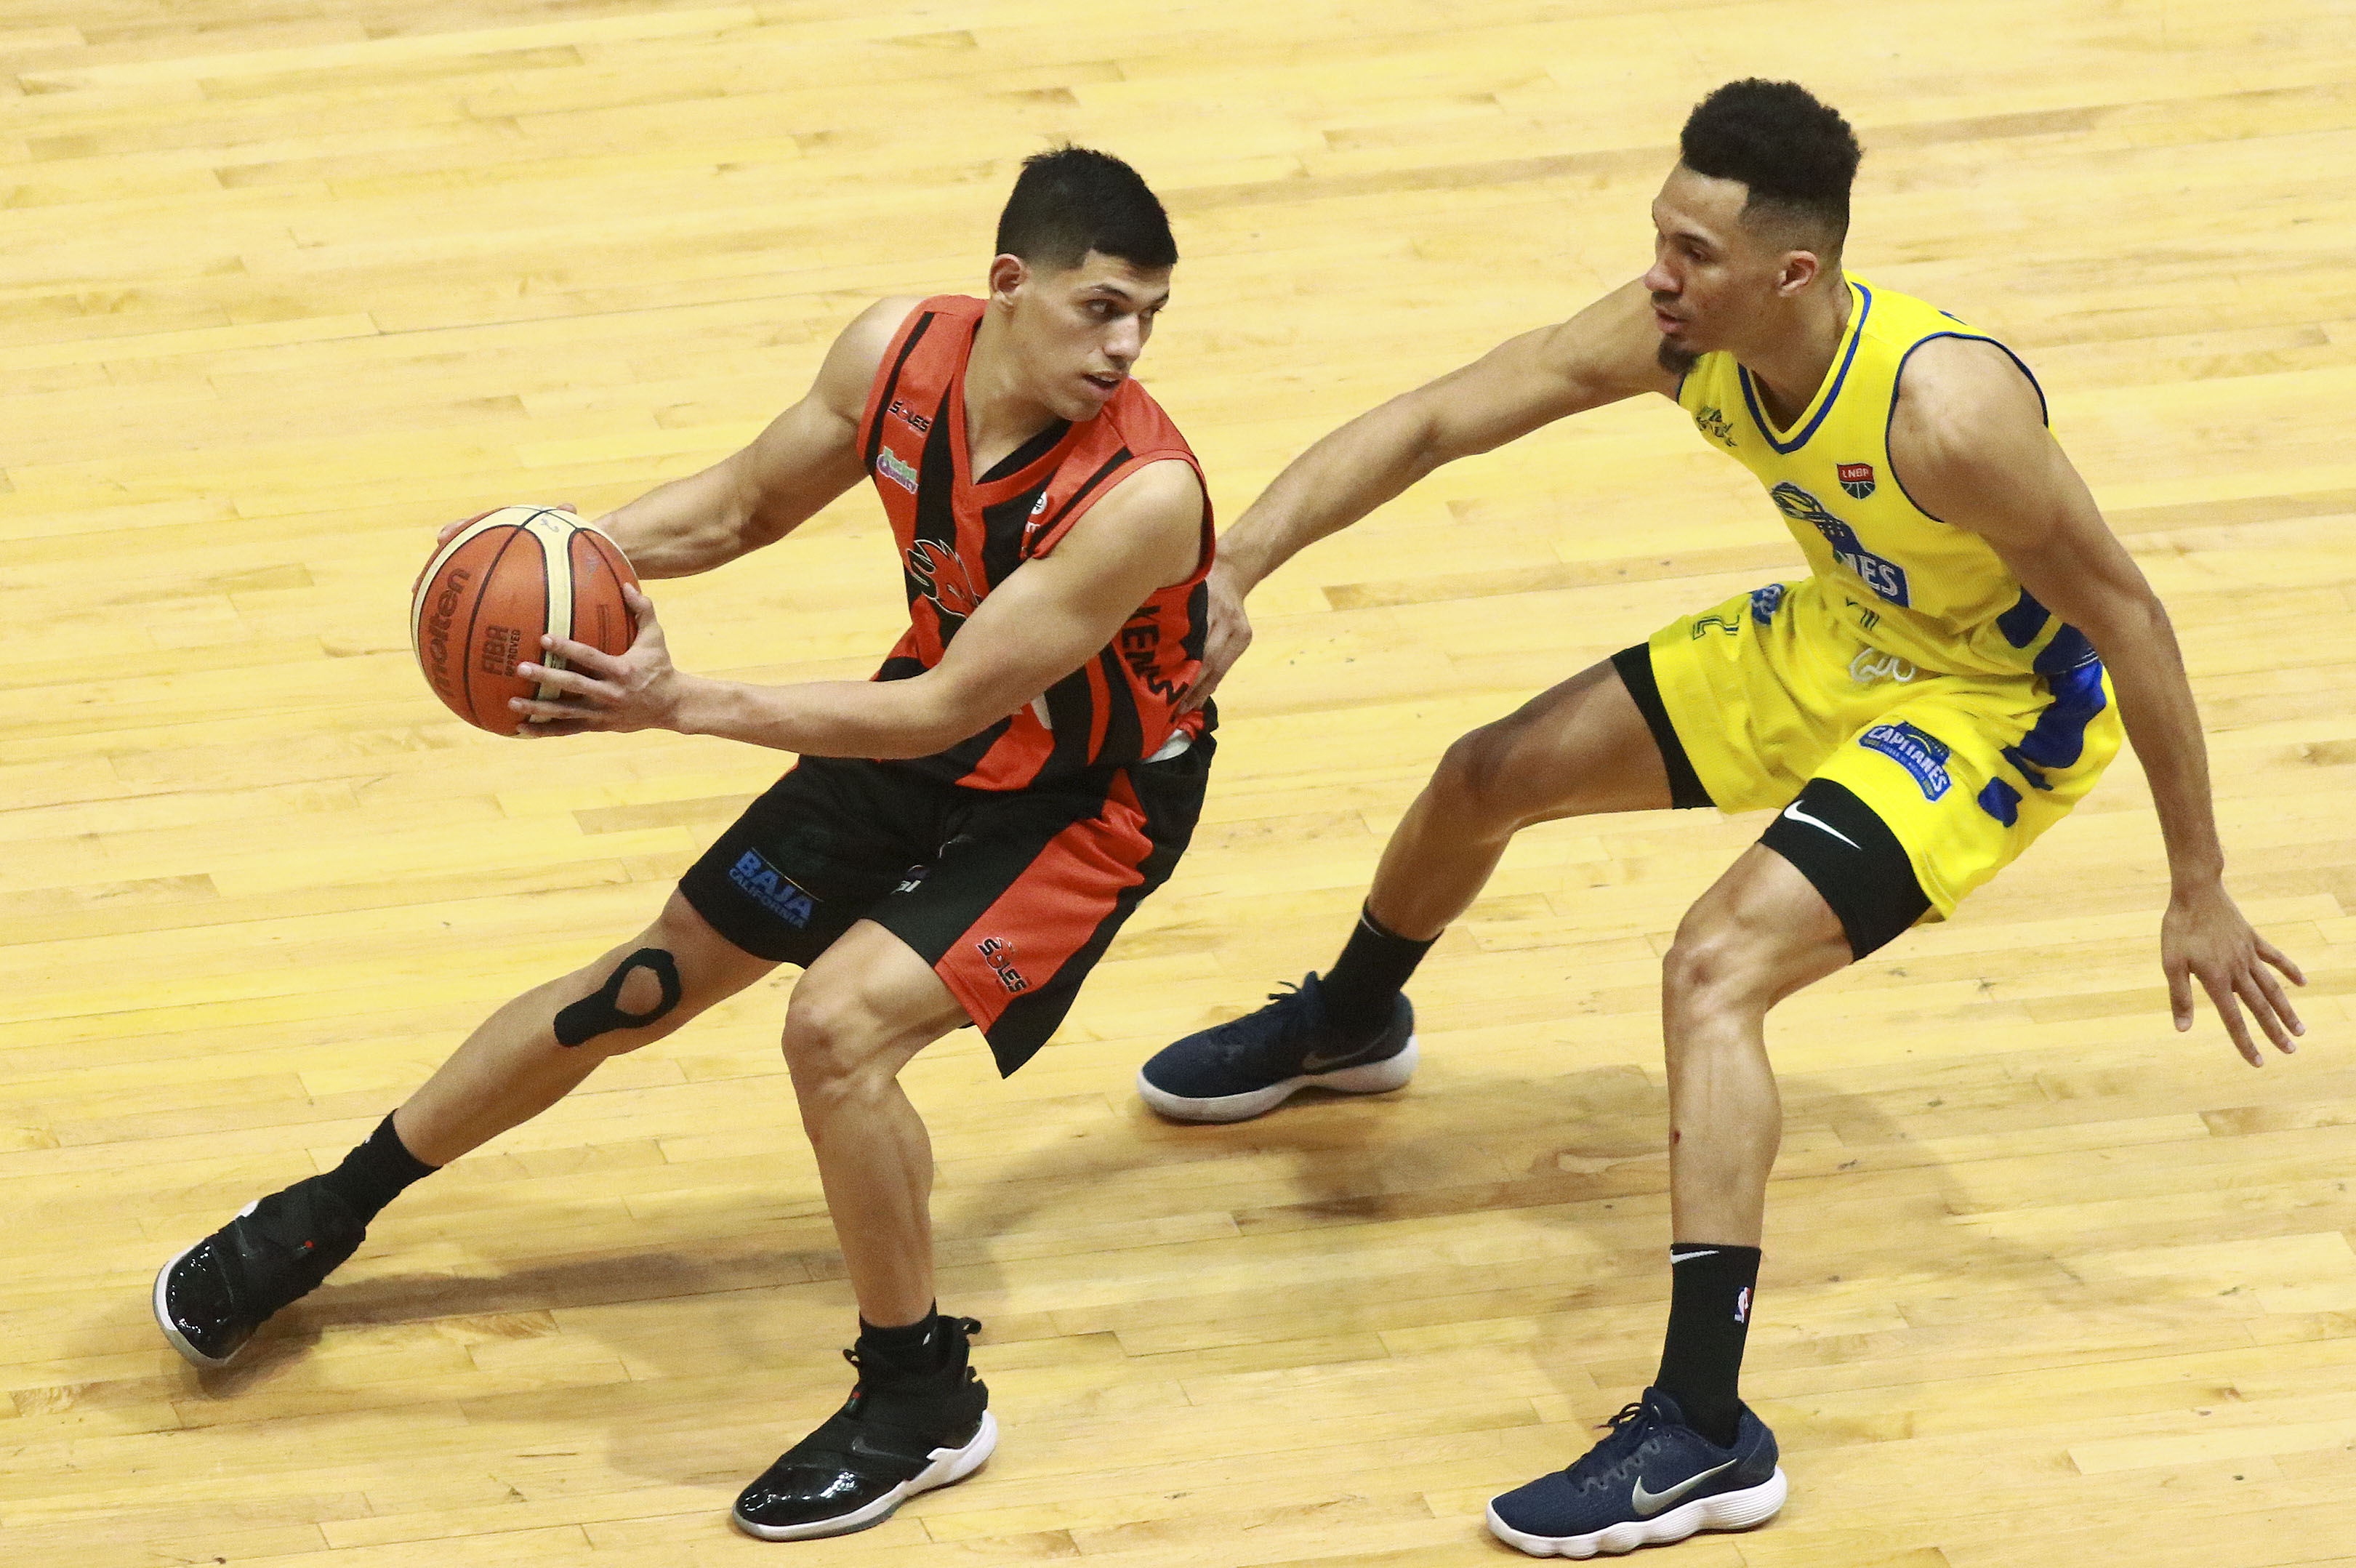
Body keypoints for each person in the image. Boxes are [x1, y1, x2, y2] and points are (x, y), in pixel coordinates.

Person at [1134, 79, 2307, 1558]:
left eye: (1690, 250)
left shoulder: (1946, 416)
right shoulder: (1676, 334)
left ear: (1790, 273)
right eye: (1657, 236)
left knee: (1713, 964)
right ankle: (1347, 1024)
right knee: (1482, 774)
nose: (1655, 274)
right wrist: (1236, 561)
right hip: (1843, 633)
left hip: (1987, 709)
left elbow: (2131, 616)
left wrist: (2196, 879)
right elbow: (1435, 416)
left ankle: (1702, 1427)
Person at [153, 146, 1218, 1543]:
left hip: (1085, 797)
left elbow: (946, 705)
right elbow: (734, 508)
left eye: (1148, 314)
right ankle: (331, 1206)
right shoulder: (899, 350)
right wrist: (552, 547)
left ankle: (920, 1400)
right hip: (930, 721)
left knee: (836, 1031)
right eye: (1102, 307)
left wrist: (674, 705)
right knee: (643, 983)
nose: (1127, 343)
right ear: (1009, 285)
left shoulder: (1141, 493)